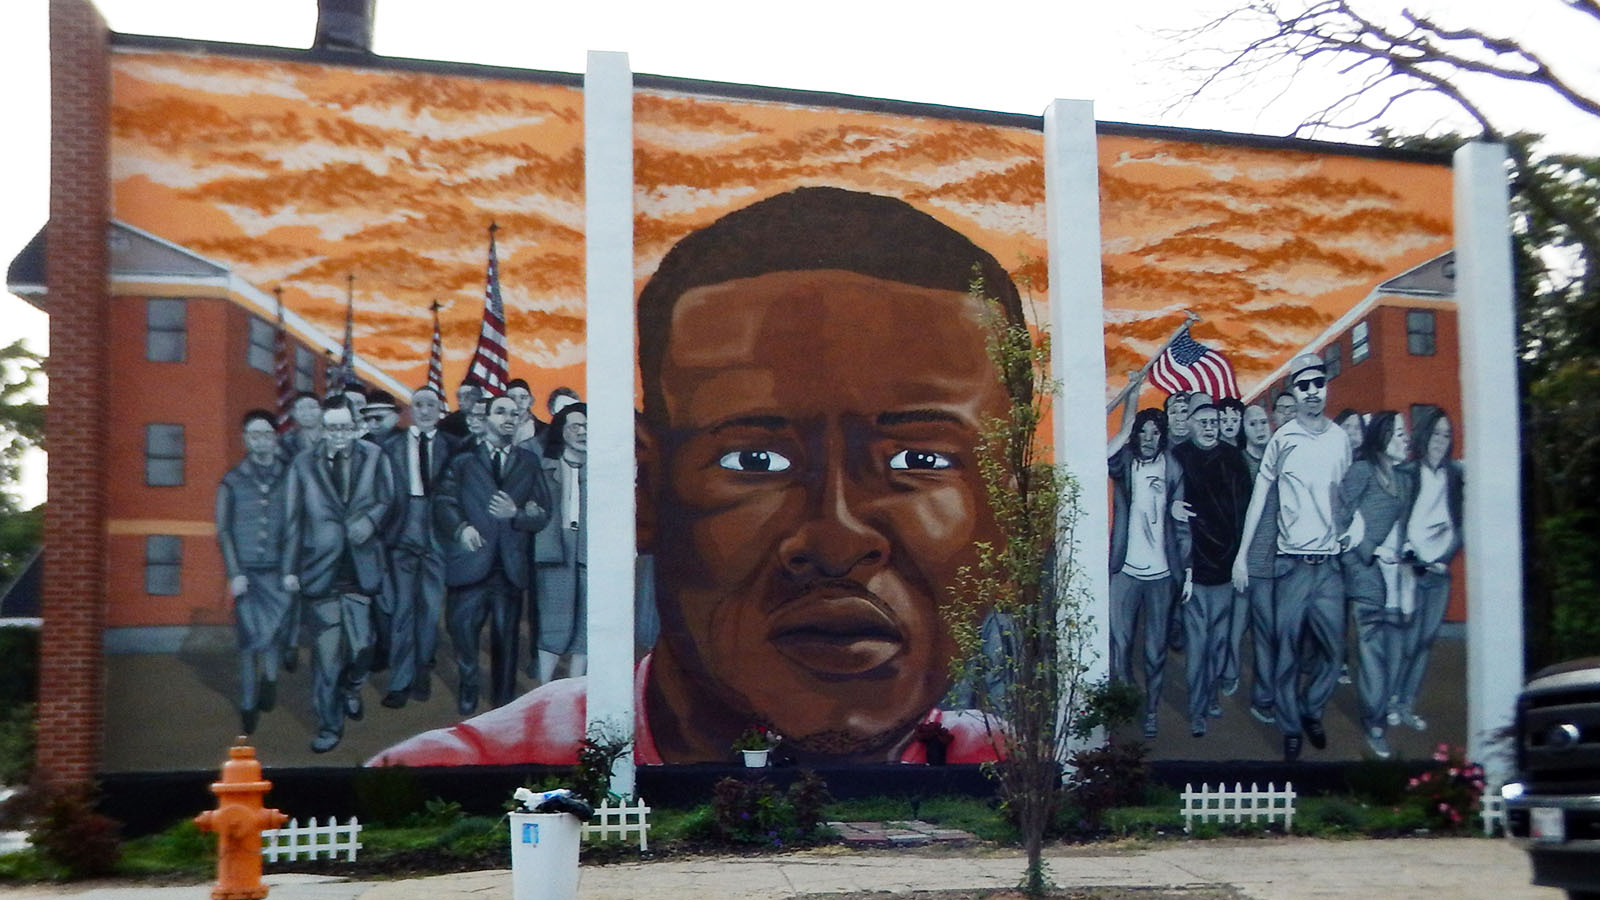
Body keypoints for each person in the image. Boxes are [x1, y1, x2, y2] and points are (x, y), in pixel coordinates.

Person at [368, 186, 1021, 767]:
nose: (836, 537)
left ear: (1012, 519)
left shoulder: (1016, 766)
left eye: (920, 460)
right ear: (646, 493)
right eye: (756, 461)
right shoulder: (478, 773)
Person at [1232, 354, 1352, 762]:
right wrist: (1242, 557)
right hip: (1292, 566)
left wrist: (1352, 528)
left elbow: (1344, 498)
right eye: (1303, 386)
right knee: (1286, 652)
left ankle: (1311, 709)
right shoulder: (1283, 441)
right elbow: (1259, 500)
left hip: (1329, 567)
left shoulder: (1340, 439)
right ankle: (1289, 727)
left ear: (1326, 386)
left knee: (1334, 652)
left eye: (1318, 383)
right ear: (1294, 391)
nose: (1313, 392)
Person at [282, 395, 394, 753]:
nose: (339, 434)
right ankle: (329, 726)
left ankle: (353, 686)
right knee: (327, 658)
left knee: (363, 647)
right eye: (332, 428)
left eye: (345, 426)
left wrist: (370, 520)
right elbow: (292, 519)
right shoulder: (302, 464)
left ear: (355, 425)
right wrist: (290, 569)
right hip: (320, 572)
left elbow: (387, 499)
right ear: (321, 428)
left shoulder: (374, 457)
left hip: (360, 569)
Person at [437, 393, 552, 715]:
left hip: (509, 567)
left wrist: (517, 514)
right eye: (501, 412)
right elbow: (443, 502)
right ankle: (469, 682)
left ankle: (502, 703)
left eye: (515, 414)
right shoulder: (462, 460)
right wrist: (462, 529)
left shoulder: (529, 463)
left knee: (507, 638)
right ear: (485, 418)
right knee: (462, 630)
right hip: (470, 563)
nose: (509, 419)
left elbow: (544, 512)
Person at [1107, 407, 1191, 739]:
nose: (1148, 439)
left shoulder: (1173, 468)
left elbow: (1183, 525)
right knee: (1121, 643)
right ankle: (1126, 695)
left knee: (1155, 651)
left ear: (1163, 435)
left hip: (1160, 574)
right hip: (1125, 570)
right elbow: (1105, 456)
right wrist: (1128, 411)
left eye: (1155, 432)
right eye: (1143, 432)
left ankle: (1152, 710)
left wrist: (1187, 570)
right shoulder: (1124, 464)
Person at [1169, 402, 1251, 737]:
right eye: (1202, 421)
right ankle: (1197, 709)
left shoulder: (1233, 459)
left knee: (1219, 643)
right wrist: (1170, 504)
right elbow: (1162, 500)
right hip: (1193, 570)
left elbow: (1245, 512)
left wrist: (1240, 560)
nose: (1209, 427)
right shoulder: (1178, 458)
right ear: (1188, 424)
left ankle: (1211, 694)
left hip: (1226, 567)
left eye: (1214, 422)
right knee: (1198, 644)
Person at [378, 386, 460, 708]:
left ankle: (422, 669)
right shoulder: (391, 446)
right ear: (410, 410)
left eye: (431, 405)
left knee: (429, 609)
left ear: (439, 410)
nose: (425, 411)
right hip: (403, 531)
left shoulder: (452, 447)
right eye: (419, 405)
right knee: (402, 610)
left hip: (437, 532)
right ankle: (399, 682)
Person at [1339, 411, 1415, 758]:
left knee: (1388, 646)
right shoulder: (1361, 471)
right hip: (1356, 566)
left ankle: (1382, 708)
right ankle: (1374, 723)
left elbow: (1401, 526)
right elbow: (1339, 516)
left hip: (1389, 572)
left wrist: (1405, 549)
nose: (1406, 438)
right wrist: (1372, 548)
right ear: (1382, 437)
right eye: (1399, 432)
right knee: (1370, 646)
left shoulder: (1402, 481)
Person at [216, 410, 293, 734]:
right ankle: (248, 705)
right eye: (253, 435)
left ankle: (271, 680)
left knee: (273, 632)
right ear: (245, 440)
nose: (260, 441)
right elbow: (223, 530)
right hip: (247, 573)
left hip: (278, 572)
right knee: (248, 641)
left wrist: (290, 569)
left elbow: (294, 526)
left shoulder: (289, 477)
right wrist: (235, 573)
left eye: (266, 434)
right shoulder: (232, 481)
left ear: (275, 437)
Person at [1392, 408, 1462, 732]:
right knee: (1406, 640)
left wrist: (1445, 558)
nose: (1441, 441)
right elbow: (1398, 522)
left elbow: (1461, 526)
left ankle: (1407, 704)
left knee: (1425, 642)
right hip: (1412, 569)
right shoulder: (1408, 473)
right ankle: (1391, 699)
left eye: (1446, 435)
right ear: (1424, 435)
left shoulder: (1454, 475)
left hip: (1439, 571)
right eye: (1436, 433)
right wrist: (1407, 559)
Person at [1222, 402, 1273, 710]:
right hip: (1241, 560)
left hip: (1271, 564)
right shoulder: (1236, 462)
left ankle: (1264, 696)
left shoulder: (1278, 460)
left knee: (1266, 631)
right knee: (1236, 625)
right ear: (1244, 429)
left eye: (1263, 422)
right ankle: (1230, 673)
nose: (1259, 427)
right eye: (1252, 423)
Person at [532, 402, 589, 684]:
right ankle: (544, 688)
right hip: (555, 548)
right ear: (562, 431)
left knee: (587, 623)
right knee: (555, 620)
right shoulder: (545, 465)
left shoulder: (605, 470)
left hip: (591, 549)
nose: (582, 432)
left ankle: (576, 687)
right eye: (575, 426)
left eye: (587, 427)